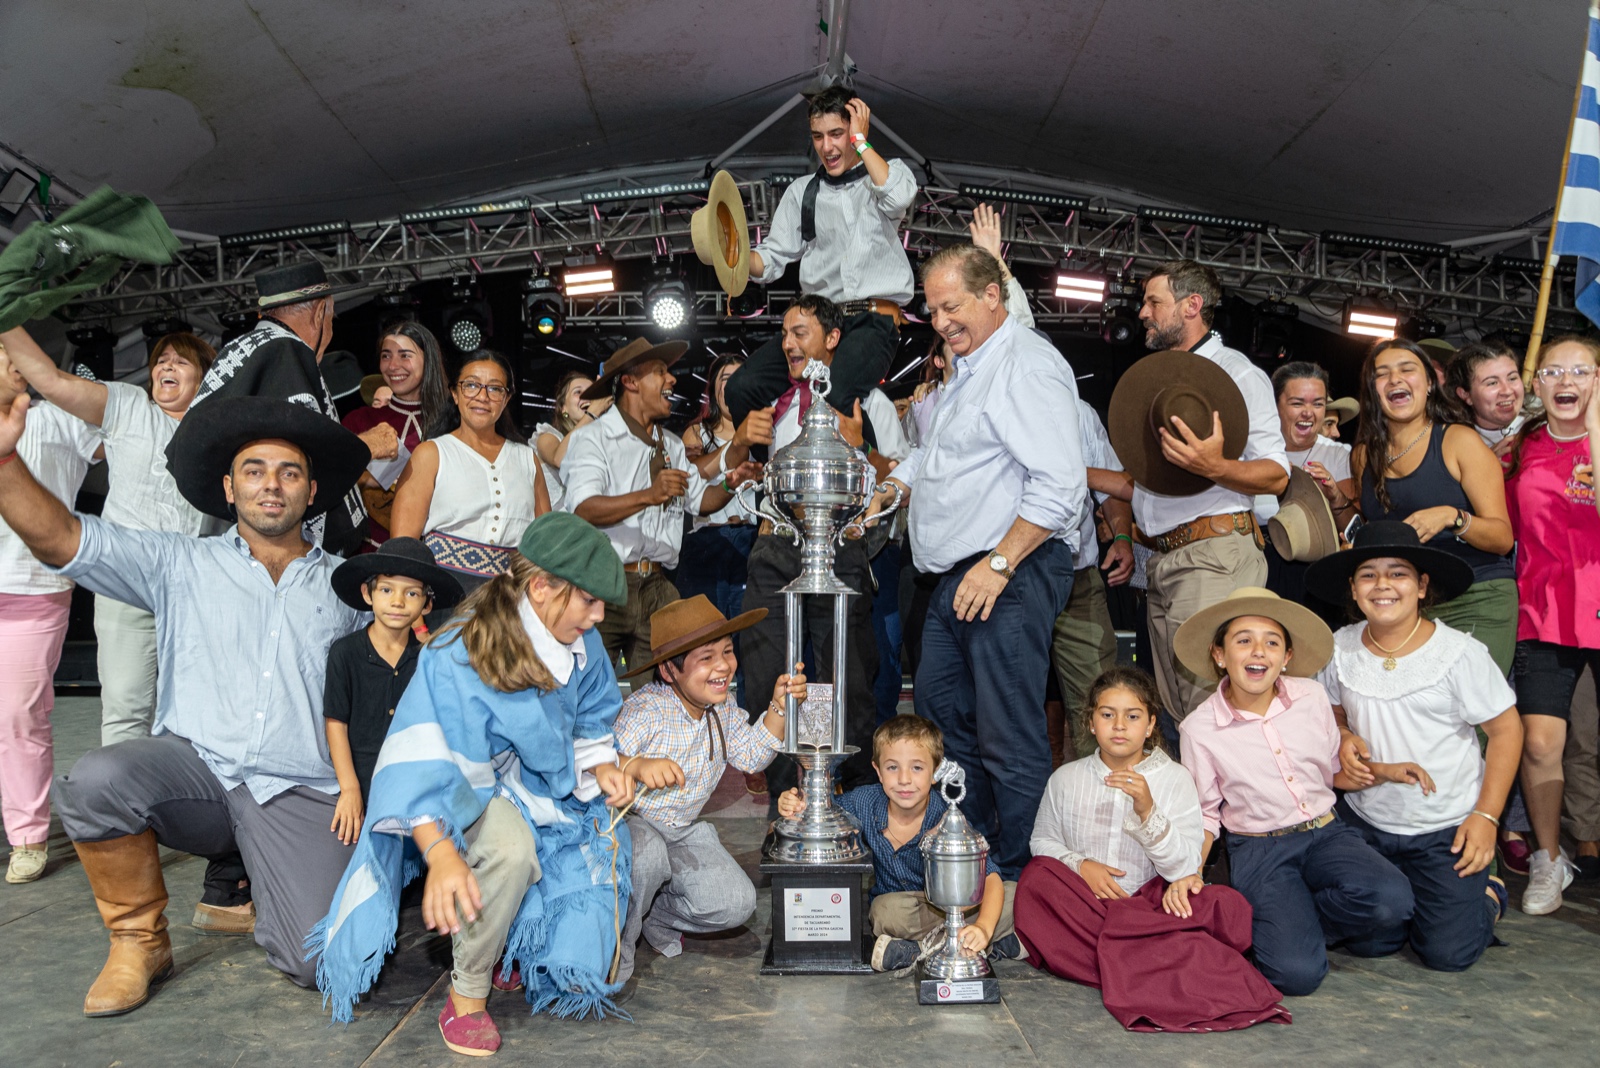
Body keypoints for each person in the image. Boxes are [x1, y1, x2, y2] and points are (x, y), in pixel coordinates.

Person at [0, 395, 370, 1013]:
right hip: (198, 773)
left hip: (300, 787)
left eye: (289, 473)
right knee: (99, 779)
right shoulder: (178, 561)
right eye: (254, 470)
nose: (271, 485)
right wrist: (5, 460)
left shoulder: (351, 588)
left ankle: (273, 885)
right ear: (229, 488)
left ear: (311, 492)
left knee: (322, 962)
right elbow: (62, 539)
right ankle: (138, 943)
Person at [309, 512, 678, 1055]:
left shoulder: (584, 641)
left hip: (549, 788)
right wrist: (440, 853)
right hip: (464, 789)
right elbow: (423, 760)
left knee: (591, 929)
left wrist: (602, 768)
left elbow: (591, 719)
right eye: (588, 600)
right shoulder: (457, 650)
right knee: (510, 850)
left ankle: (512, 942)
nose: (599, 616)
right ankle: (467, 995)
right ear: (541, 587)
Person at [865, 244, 1085, 878]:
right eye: (932, 310)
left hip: (1006, 571)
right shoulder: (968, 371)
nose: (940, 322)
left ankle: (1025, 879)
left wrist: (1000, 564)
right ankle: (979, 861)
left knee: (1007, 733)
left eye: (951, 306)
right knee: (945, 729)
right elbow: (938, 454)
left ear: (994, 295)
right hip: (953, 579)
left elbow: (1061, 486)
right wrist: (892, 487)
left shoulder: (1026, 364)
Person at [1015, 667, 1288, 1033]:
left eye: (1133, 716)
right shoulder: (1066, 778)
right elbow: (1042, 841)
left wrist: (1147, 810)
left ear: (1150, 724)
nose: (1119, 726)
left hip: (1152, 908)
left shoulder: (1175, 778)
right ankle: (1156, 961)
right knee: (1036, 879)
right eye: (1107, 715)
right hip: (1088, 906)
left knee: (1226, 906)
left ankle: (1122, 961)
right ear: (1091, 722)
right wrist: (1081, 865)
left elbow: (1184, 866)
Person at [1172, 587, 1414, 997]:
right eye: (1243, 641)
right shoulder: (1199, 728)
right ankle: (1287, 926)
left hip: (1326, 833)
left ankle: (1297, 920)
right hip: (1260, 850)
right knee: (1296, 975)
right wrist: (1190, 870)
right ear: (1219, 655)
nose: (1258, 652)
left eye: (1272, 642)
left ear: (1286, 657)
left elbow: (1333, 771)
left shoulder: (1311, 697)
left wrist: (1385, 771)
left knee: (1393, 902)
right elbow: (1205, 813)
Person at [1304, 522, 1519, 964]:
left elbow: (1507, 731)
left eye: (1398, 573)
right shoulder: (1339, 648)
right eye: (1368, 575)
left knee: (1447, 954)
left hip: (1444, 828)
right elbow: (1332, 709)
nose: (1382, 585)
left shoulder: (1459, 654)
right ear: (1353, 589)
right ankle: (1406, 900)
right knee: (1371, 942)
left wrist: (1486, 816)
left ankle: (1487, 896)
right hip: (1366, 822)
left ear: (1422, 586)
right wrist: (1343, 733)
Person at [0, 324, 219, 748]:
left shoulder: (220, 432)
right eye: (161, 360)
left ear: (205, 378)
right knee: (125, 712)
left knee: (198, 714)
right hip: (125, 585)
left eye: (181, 361)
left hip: (195, 589)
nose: (166, 367)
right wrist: (8, 319)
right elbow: (52, 380)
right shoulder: (129, 405)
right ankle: (123, 793)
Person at [740, 295, 910, 795]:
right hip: (774, 549)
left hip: (839, 548)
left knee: (847, 678)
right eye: (784, 334)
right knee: (766, 677)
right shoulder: (775, 403)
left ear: (833, 339)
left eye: (800, 333)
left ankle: (854, 798)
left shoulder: (868, 401)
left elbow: (901, 475)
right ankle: (784, 801)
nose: (788, 343)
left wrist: (861, 446)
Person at [1129, 260, 1290, 723]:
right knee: (1183, 716)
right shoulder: (1161, 380)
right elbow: (1143, 481)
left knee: (1214, 712)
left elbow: (1276, 473)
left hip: (1213, 558)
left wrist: (1214, 466)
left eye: (1154, 302)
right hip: (1163, 561)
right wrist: (1074, 473)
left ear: (1192, 305)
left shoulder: (1237, 374)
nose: (1143, 313)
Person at [612, 596, 803, 985]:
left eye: (728, 651)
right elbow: (601, 764)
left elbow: (752, 755)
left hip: (683, 832)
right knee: (646, 857)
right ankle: (614, 956)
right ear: (669, 670)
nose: (723, 666)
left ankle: (655, 913)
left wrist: (779, 706)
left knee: (737, 904)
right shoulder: (645, 710)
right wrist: (634, 766)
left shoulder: (723, 708)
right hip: (632, 827)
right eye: (706, 657)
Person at [561, 338, 765, 672]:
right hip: (604, 584)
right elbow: (584, 508)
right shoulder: (593, 439)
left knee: (662, 689)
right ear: (631, 382)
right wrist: (650, 495)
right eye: (660, 372)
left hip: (659, 587)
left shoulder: (670, 444)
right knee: (589, 683)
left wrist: (731, 484)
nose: (672, 379)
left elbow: (701, 501)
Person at [726, 87, 918, 440]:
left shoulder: (885, 175)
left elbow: (899, 197)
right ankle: (767, 466)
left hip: (872, 322)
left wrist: (861, 141)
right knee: (740, 388)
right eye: (818, 136)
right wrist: (732, 258)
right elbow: (771, 258)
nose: (827, 146)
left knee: (835, 396)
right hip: (818, 323)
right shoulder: (802, 192)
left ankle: (871, 469)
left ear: (855, 128)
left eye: (837, 133)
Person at [777, 715, 1022, 971]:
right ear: (878, 771)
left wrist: (984, 927)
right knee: (883, 912)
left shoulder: (947, 815)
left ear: (936, 772)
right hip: (901, 910)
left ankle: (922, 948)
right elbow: (821, 813)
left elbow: (989, 877)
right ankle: (979, 945)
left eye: (917, 768)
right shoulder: (863, 802)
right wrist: (795, 805)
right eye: (893, 767)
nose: (904, 779)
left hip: (952, 904)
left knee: (1013, 894)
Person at [181, 263, 395, 556]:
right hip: (284, 555)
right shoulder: (286, 353)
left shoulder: (240, 349)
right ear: (320, 313)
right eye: (331, 317)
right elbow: (298, 458)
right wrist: (369, 445)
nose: (331, 328)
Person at [1503, 335, 1600, 911]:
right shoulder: (1520, 449)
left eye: (1581, 371)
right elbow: (1501, 529)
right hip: (1543, 613)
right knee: (1541, 742)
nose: (1567, 381)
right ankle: (1548, 859)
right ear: (1537, 384)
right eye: (1553, 371)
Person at [1351, 339, 1516, 674]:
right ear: (1373, 391)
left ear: (1429, 383)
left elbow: (1502, 538)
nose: (1395, 379)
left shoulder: (1459, 441)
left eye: (1407, 369)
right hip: (1407, 605)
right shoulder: (1363, 455)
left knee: (1471, 706)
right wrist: (1340, 506)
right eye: (1382, 374)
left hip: (1476, 596)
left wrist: (1452, 517)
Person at [0, 340, 101, 884]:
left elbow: (123, 443)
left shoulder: (60, 416)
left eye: (16, 354)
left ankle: (27, 834)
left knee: (18, 715)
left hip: (30, 585)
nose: (10, 363)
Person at [323, 537, 464, 837]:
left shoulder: (429, 659)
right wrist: (349, 789)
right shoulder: (345, 653)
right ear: (368, 593)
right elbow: (336, 723)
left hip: (416, 788)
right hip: (361, 786)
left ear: (427, 604)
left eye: (411, 593)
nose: (398, 602)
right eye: (387, 590)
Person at [390, 349, 549, 592]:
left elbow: (545, 543)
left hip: (511, 596)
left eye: (495, 388)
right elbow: (403, 547)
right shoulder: (431, 454)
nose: (482, 397)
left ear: (506, 399)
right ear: (455, 394)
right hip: (444, 593)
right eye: (471, 385)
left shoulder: (527, 458)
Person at [675, 353, 757, 718]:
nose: (733, 386)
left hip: (751, 542)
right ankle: (698, 724)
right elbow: (690, 477)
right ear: (714, 388)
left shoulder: (766, 434)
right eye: (725, 379)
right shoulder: (697, 434)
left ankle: (748, 726)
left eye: (740, 378)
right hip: (707, 545)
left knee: (748, 644)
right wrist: (738, 442)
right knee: (702, 641)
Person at [341, 322, 451, 550]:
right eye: (386, 356)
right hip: (368, 556)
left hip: (440, 557)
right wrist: (364, 479)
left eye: (405, 356)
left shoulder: (453, 422)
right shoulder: (359, 421)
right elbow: (327, 481)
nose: (393, 366)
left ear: (428, 360)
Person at [1259, 362, 1356, 606]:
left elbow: (1355, 532)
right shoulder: (1253, 452)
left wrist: (1335, 495)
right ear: (1275, 406)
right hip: (1258, 568)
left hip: (1316, 577)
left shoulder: (1339, 455)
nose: (1308, 412)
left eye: (1318, 404)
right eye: (1297, 403)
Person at [534, 370, 604, 512]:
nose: (587, 396)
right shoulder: (548, 436)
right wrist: (592, 413)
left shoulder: (599, 444)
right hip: (555, 523)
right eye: (578, 392)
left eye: (591, 392)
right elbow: (559, 459)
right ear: (563, 408)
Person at [1448, 339, 1526, 458]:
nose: (1507, 391)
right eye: (1492, 383)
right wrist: (1485, 463)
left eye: (1512, 378)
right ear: (1465, 394)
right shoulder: (1451, 443)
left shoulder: (1542, 424)